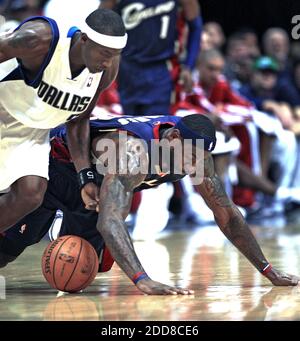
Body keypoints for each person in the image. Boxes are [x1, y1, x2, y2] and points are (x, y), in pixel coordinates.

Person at [0, 114, 298, 290]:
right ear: (173, 137)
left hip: (97, 186)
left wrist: (267, 270)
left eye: (199, 158)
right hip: (55, 165)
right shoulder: (133, 153)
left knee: (88, 265)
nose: (193, 165)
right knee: (10, 247)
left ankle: (62, 226)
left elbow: (227, 214)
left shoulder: (194, 154)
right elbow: (110, 221)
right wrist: (143, 280)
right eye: (190, 156)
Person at [0, 8, 127, 232]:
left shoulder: (106, 69)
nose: (109, 62)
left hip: (33, 131)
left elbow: (78, 122)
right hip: (2, 111)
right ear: (85, 39)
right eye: (106, 53)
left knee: (31, 193)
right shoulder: (39, 39)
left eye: (115, 54)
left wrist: (85, 177)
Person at [100, 0, 202, 116]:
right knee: (125, 124)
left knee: (158, 126)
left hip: (162, 69)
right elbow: (100, 23)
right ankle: (124, 134)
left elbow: (196, 26)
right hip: (127, 68)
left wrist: (189, 65)